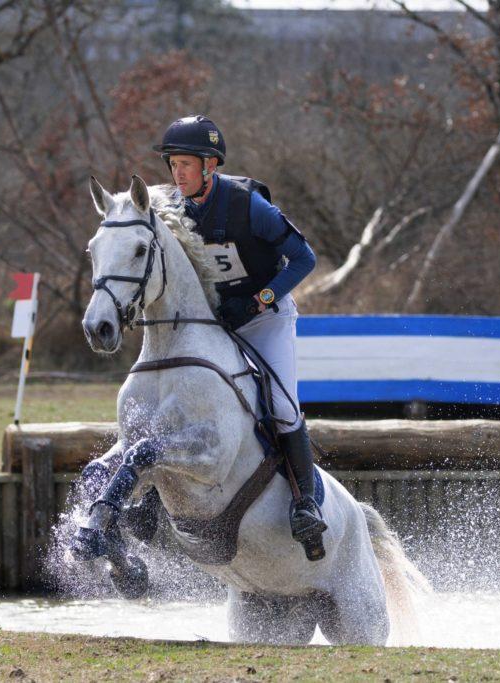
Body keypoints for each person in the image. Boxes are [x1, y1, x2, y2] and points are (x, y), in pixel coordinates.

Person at [150, 115, 326, 560]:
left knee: (283, 407)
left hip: (265, 318)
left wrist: (259, 300)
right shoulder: (174, 210)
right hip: (215, 322)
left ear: (211, 166)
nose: (178, 174)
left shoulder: (249, 207)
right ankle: (148, 499)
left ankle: (306, 505)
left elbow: (304, 260)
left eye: (186, 165)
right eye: (173, 165)